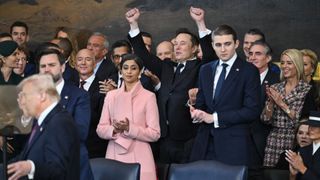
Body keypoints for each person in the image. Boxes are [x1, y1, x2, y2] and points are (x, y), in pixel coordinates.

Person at [126, 8, 216, 164]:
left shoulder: (202, 67)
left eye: (183, 44)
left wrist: (200, 23)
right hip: (164, 137)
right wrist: (133, 24)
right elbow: (143, 55)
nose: (177, 47)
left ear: (194, 48)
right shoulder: (166, 66)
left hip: (188, 138)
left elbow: (209, 53)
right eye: (176, 44)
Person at [188, 17, 261, 169]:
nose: (223, 49)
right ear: (212, 46)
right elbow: (201, 104)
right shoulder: (205, 69)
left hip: (233, 146)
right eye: (218, 45)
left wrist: (213, 118)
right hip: (204, 144)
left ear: (236, 44)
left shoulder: (249, 71)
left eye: (227, 44)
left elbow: (252, 111)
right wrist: (196, 112)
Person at [97, 54, 160, 180]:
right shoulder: (111, 96)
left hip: (140, 153)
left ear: (140, 71)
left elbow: (155, 133)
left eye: (133, 68)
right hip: (115, 152)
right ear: (120, 70)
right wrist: (114, 129)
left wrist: (129, 128)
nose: (129, 72)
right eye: (125, 68)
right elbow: (100, 129)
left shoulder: (149, 96)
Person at [7, 74, 80, 180]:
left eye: (24, 96)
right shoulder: (43, 121)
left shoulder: (60, 122)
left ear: (42, 96)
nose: (21, 101)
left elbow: (59, 170)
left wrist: (31, 167)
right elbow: (23, 159)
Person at [38, 48, 93, 180]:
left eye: (51, 65)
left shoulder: (79, 96)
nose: (46, 69)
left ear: (62, 67)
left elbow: (80, 132)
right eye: (43, 66)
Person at [261, 49, 311, 167]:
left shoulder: (306, 90)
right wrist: (271, 103)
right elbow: (265, 119)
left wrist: (281, 103)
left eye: (289, 63)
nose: (284, 66)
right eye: (282, 63)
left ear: (297, 64)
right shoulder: (276, 87)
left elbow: (301, 121)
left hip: (294, 141)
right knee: (270, 175)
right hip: (273, 141)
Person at [74, 48, 107, 158]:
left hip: (94, 150)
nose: (83, 63)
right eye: (80, 59)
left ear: (94, 64)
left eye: (88, 59)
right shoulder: (69, 87)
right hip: (72, 149)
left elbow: (103, 119)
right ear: (75, 63)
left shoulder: (104, 87)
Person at [286, 111, 320, 180]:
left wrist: (302, 168)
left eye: (316, 126)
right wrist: (293, 175)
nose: (311, 129)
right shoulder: (302, 151)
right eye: (310, 126)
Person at [300, 49, 319, 117]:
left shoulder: (317, 89)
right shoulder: (289, 86)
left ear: (312, 69)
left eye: (305, 64)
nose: (301, 67)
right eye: (299, 63)